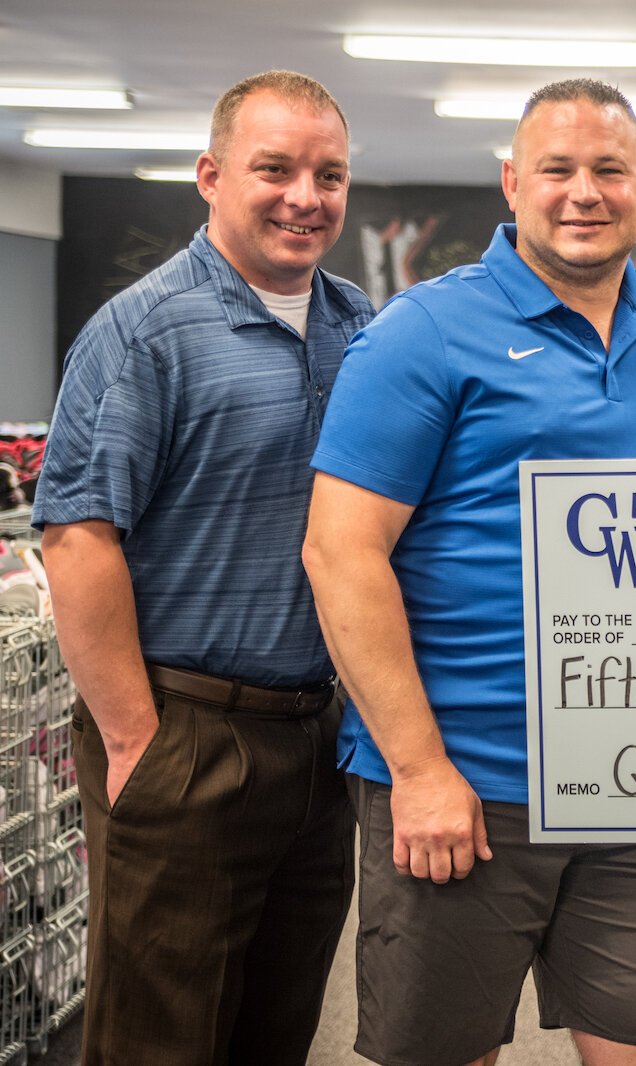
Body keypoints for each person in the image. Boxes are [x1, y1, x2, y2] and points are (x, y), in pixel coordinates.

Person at [301, 78, 636, 1066]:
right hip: (465, 784)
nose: (582, 191)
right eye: (556, 169)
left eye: (608, 170)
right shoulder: (425, 332)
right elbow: (340, 550)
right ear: (512, 183)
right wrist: (417, 771)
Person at [33, 71, 370, 1065]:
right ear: (211, 175)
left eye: (329, 174)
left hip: (316, 739)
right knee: (160, 1038)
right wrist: (137, 738)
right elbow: (78, 537)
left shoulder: (361, 329)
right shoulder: (144, 331)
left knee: (279, 1025)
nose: (304, 195)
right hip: (184, 728)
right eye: (275, 169)